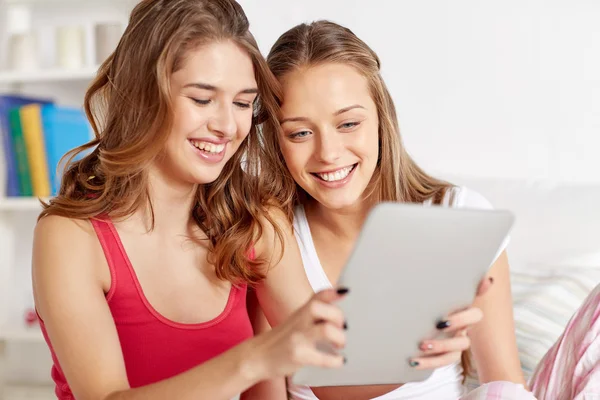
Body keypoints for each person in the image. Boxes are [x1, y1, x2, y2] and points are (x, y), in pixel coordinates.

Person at [256, 20, 600, 400]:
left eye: (349, 123)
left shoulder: (458, 214)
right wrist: (417, 350)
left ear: (381, 120)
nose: (329, 152)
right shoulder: (271, 231)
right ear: (276, 138)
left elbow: (502, 383)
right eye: (300, 133)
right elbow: (313, 380)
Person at [31, 2, 348, 399]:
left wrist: (435, 338)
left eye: (241, 102)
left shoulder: (253, 221)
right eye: (202, 99)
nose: (227, 126)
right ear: (142, 95)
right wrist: (254, 359)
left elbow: (337, 370)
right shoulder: (71, 237)